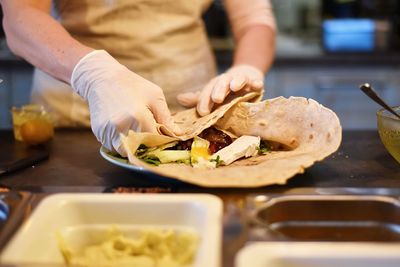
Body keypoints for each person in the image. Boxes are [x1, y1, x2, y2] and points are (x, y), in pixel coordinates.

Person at [0, 0, 276, 155]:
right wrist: (92, 73)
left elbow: (254, 19)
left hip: (195, 108)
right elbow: (20, 17)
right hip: (78, 114)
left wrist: (247, 68)